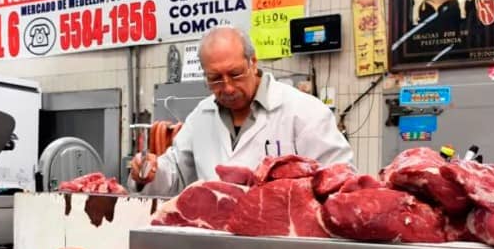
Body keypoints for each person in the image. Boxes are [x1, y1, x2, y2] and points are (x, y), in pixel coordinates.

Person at [130, 25, 352, 196]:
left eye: (235, 74)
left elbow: (340, 179)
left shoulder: (304, 111)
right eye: (215, 79)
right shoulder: (201, 116)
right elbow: (175, 175)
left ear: (252, 63)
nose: (227, 87)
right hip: (216, 241)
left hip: (283, 245)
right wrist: (149, 172)